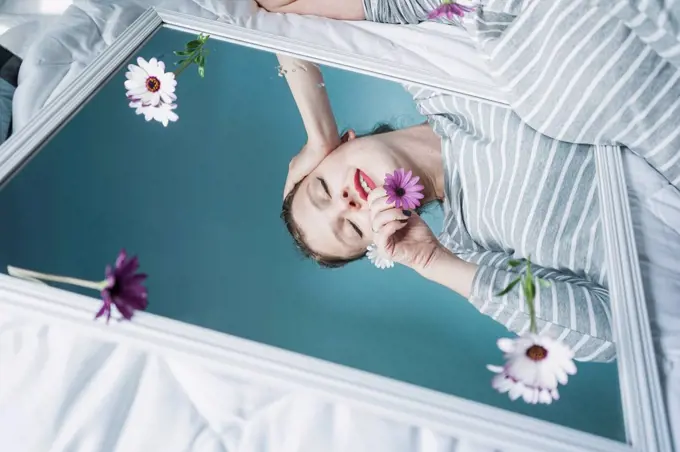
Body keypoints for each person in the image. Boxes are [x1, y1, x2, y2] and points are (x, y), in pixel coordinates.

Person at [272, 3, 680, 433]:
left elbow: (269, 5)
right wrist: (435, 262)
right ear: (379, 240)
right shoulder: (474, 250)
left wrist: (318, 133)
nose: (346, 204)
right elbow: (619, 329)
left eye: (322, 190)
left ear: (342, 143)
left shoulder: (428, 52)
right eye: (352, 228)